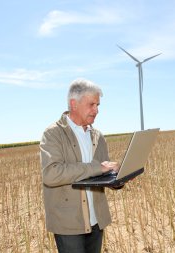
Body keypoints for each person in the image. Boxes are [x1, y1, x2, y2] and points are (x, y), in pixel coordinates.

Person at [40, 78, 120, 253]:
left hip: (96, 220)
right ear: (73, 104)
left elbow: (101, 173)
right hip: (68, 223)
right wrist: (97, 167)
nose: (96, 110)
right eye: (92, 104)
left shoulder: (98, 136)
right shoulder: (53, 134)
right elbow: (51, 174)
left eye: (98, 105)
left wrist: (116, 178)